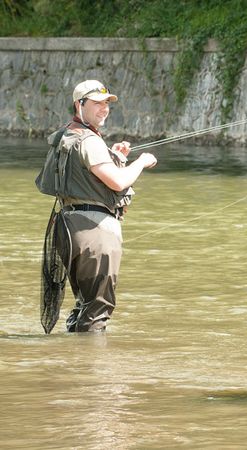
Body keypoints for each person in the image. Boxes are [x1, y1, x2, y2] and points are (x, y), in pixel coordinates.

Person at [36, 79, 157, 332]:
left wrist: (115, 156)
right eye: (97, 103)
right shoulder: (89, 140)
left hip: (67, 229)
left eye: (107, 104)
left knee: (85, 305)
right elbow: (117, 181)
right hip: (94, 233)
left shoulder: (65, 134)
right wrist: (141, 162)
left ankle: (73, 360)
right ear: (79, 105)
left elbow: (84, 175)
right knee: (98, 310)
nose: (104, 109)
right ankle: (91, 367)